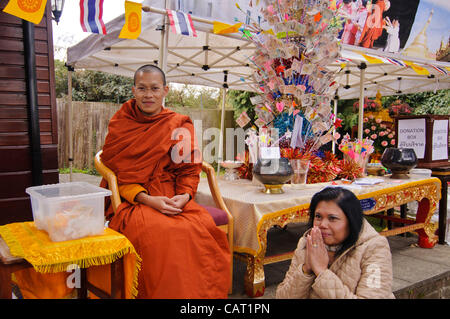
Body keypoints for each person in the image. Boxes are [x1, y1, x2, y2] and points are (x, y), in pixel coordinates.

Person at [99, 64, 231, 298]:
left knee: (195, 229)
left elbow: (189, 168)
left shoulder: (178, 123)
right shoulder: (121, 123)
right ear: (133, 90)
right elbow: (118, 174)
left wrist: (186, 195)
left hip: (172, 194)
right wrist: (148, 200)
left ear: (165, 91)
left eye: (154, 88)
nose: (148, 95)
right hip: (135, 198)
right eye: (142, 88)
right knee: (158, 233)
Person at [276, 186, 395, 299]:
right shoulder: (307, 242)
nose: (322, 224)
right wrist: (306, 269)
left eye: (332, 218)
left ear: (351, 221)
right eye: (318, 217)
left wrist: (321, 272)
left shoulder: (374, 247)